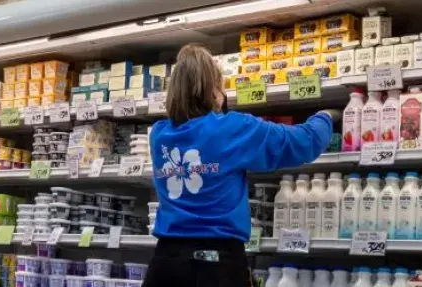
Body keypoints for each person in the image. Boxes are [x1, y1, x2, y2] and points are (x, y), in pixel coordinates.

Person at [143, 44, 337, 287]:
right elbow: (302, 142)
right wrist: (326, 117)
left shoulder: (159, 135)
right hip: (217, 267)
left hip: (165, 265)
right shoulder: (232, 128)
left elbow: (199, 133)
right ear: (213, 89)